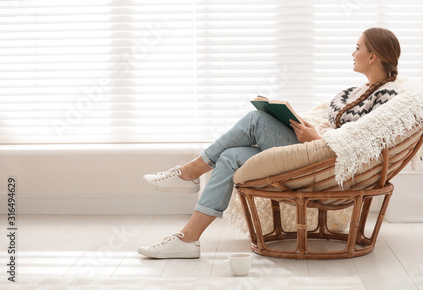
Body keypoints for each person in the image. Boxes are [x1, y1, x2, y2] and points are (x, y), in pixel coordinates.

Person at [138, 27, 401, 259]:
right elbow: (334, 126)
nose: (352, 53)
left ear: (372, 56)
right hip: (319, 148)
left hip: (329, 158)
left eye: (357, 48)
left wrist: (319, 139)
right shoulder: (349, 93)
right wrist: (303, 126)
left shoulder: (389, 96)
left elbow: (366, 140)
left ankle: (190, 172)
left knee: (255, 119)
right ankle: (188, 239)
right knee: (230, 156)